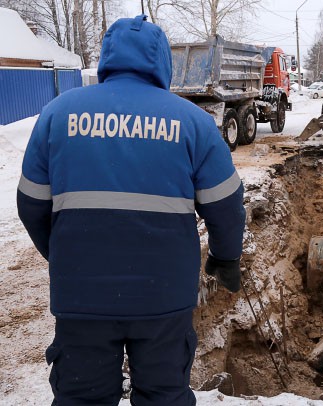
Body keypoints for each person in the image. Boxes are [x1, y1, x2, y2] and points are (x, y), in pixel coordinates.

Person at [17, 15, 245, 405]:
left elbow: (31, 205)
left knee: (81, 398)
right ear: (162, 62)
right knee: (163, 396)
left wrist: (63, 256)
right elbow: (227, 206)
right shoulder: (193, 122)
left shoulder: (57, 114)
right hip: (164, 298)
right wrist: (226, 258)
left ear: (108, 57)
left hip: (81, 297)